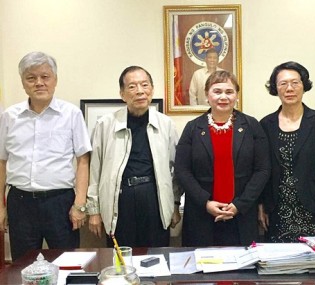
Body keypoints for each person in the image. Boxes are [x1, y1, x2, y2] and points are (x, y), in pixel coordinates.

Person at [0, 52, 91, 260]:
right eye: (31, 78)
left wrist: (79, 204)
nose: (39, 83)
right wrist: (1, 208)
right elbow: (2, 162)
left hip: (60, 203)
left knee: (68, 263)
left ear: (55, 80)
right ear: (23, 83)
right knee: (23, 266)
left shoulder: (71, 114)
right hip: (20, 203)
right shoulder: (9, 117)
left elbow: (83, 161)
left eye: (45, 77)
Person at [86, 66, 182, 247]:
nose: (139, 91)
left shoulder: (166, 124)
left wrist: (175, 205)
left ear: (151, 90)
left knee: (156, 257)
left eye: (144, 85)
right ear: (122, 94)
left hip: (155, 197)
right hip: (120, 199)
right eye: (132, 87)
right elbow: (95, 170)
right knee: (122, 258)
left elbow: (176, 169)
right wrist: (94, 210)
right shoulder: (105, 125)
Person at [175, 70, 270, 247]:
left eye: (229, 92)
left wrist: (239, 205)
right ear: (207, 95)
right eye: (217, 91)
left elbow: (262, 170)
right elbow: (182, 171)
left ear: (237, 95)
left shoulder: (251, 126)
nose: (223, 97)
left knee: (242, 271)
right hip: (201, 216)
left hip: (242, 215)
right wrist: (206, 202)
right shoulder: (193, 128)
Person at [258, 61, 315, 242]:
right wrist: (261, 206)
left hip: (313, 208)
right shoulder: (266, 124)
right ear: (275, 88)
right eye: (283, 83)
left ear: (304, 85)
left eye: (295, 82)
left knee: (313, 264)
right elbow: (263, 169)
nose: (289, 88)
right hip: (277, 210)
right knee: (279, 265)